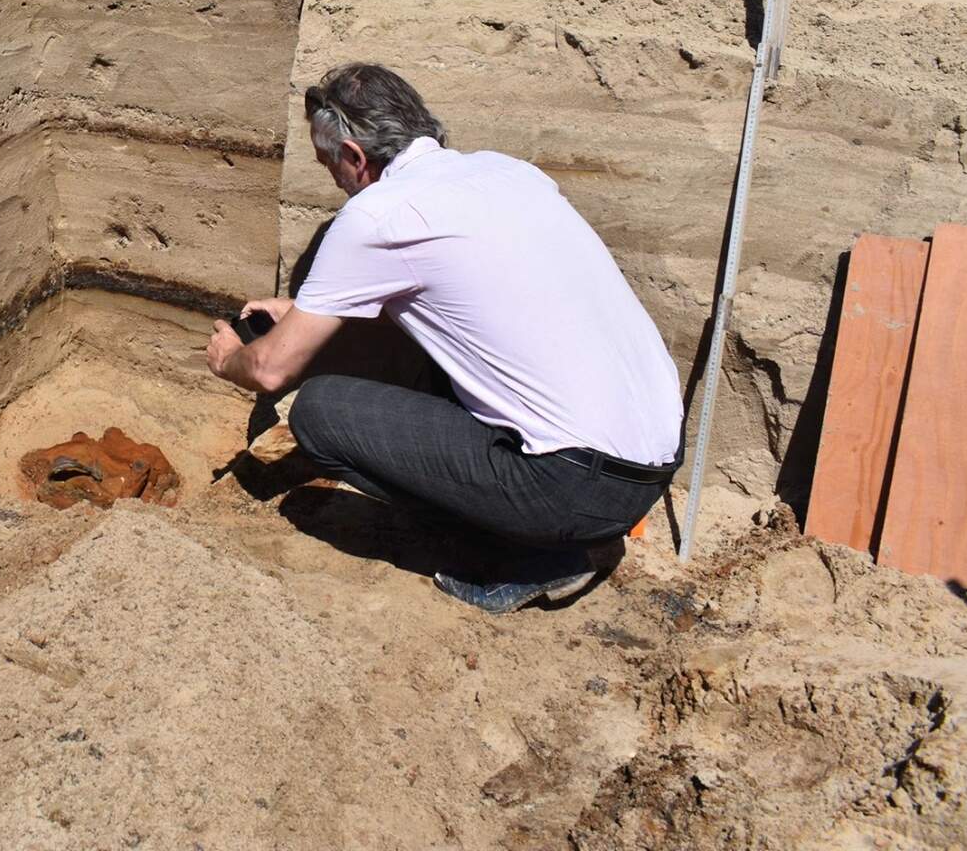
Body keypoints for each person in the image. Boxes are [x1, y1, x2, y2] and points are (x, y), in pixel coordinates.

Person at [205, 63, 683, 613]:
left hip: (573, 485)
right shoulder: (509, 173)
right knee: (435, 360)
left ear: (355, 156)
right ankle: (562, 528)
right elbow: (468, 300)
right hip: (655, 461)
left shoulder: (376, 214)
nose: (331, 178)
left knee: (318, 413)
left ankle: (542, 555)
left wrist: (229, 357)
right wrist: (307, 311)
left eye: (327, 162)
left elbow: (269, 369)